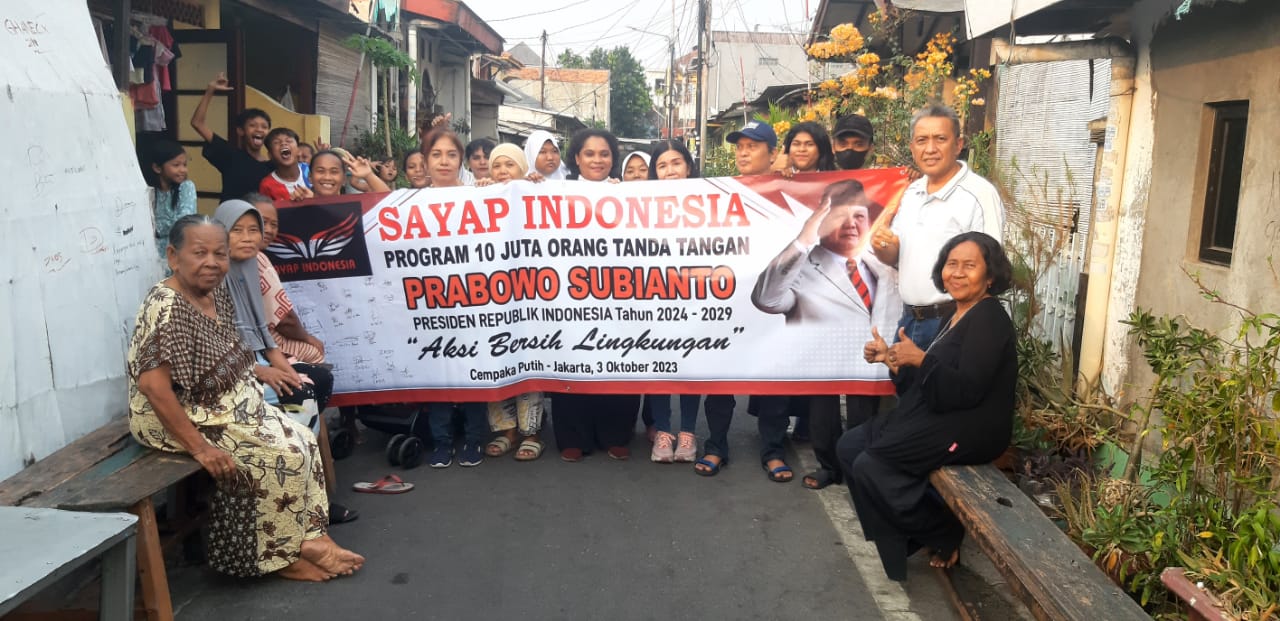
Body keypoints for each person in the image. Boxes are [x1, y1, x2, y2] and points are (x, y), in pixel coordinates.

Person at [127, 214, 363, 581]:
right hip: (179, 416)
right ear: (173, 256)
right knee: (280, 455)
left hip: (224, 404)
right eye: (199, 253)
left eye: (219, 254)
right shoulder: (166, 307)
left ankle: (312, 537)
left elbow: (229, 350)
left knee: (303, 438)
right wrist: (201, 450)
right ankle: (282, 558)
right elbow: (154, 388)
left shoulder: (214, 291)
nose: (211, 263)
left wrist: (258, 373)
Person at [838, 231, 1016, 582]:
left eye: (969, 266)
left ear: (990, 276)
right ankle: (899, 535)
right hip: (941, 411)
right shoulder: (955, 314)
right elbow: (925, 385)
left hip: (973, 427)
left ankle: (941, 530)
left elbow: (968, 390)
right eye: (952, 264)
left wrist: (920, 360)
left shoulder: (989, 318)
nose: (958, 273)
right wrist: (894, 361)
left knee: (873, 466)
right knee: (849, 446)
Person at [750, 180, 900, 488]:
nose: (851, 224)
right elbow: (766, 299)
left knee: (866, 417)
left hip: (872, 357)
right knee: (823, 415)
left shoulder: (881, 262)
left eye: (859, 216)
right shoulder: (802, 265)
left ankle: (861, 471)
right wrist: (803, 240)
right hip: (823, 356)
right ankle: (829, 467)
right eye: (840, 216)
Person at [870, 104, 1005, 347]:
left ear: (958, 144)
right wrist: (882, 247)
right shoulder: (911, 193)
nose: (930, 149)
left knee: (943, 375)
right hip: (909, 320)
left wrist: (966, 325)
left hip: (953, 320)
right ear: (912, 147)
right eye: (922, 140)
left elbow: (991, 267)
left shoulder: (979, 194)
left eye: (940, 139)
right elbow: (897, 257)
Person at [553, 128, 639, 461]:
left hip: (619, 295)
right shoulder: (555, 193)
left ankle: (616, 434)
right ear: (576, 158)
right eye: (589, 153)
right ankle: (573, 436)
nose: (597, 160)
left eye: (604, 154)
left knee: (618, 358)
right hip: (569, 296)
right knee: (573, 359)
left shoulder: (627, 194)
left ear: (613, 158)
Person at [189, 72, 273, 201]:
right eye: (253, 125)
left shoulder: (273, 165)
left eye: (264, 127)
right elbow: (197, 123)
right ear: (240, 131)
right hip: (231, 213)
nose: (259, 129)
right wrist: (210, 90)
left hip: (259, 213)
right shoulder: (230, 155)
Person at [147, 140, 197, 261]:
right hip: (151, 255)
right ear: (157, 168)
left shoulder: (186, 187)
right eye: (176, 165)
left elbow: (184, 222)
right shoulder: (149, 192)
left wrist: (156, 230)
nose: (183, 170)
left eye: (184, 165)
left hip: (178, 253)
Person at [258, 128, 313, 202]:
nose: (283, 143)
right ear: (270, 155)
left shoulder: (310, 170)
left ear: (298, 150)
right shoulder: (267, 185)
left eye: (289, 141)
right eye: (276, 142)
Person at [309, 149, 389, 197]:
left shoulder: (355, 206)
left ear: (344, 179)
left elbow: (390, 201)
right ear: (310, 177)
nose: (327, 177)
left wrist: (369, 175)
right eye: (320, 171)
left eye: (334, 172)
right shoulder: (302, 207)